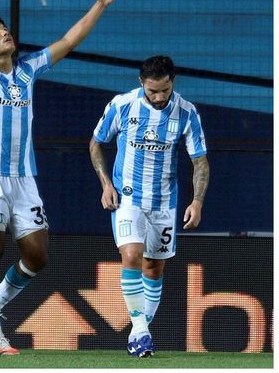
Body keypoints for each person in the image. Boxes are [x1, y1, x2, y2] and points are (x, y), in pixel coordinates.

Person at [0, 0, 124, 355]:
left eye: (4, 29)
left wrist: (100, 5)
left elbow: (68, 41)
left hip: (24, 180)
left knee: (37, 256)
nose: (4, 33)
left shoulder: (28, 69)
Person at [89, 55, 210, 358]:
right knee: (131, 255)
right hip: (128, 197)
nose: (157, 98)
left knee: (153, 268)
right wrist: (106, 183)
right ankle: (142, 332)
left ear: (173, 83)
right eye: (152, 91)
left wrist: (197, 201)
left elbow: (200, 162)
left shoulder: (187, 113)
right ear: (141, 82)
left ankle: (138, 330)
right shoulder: (122, 105)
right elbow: (96, 144)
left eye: (164, 91)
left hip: (165, 202)